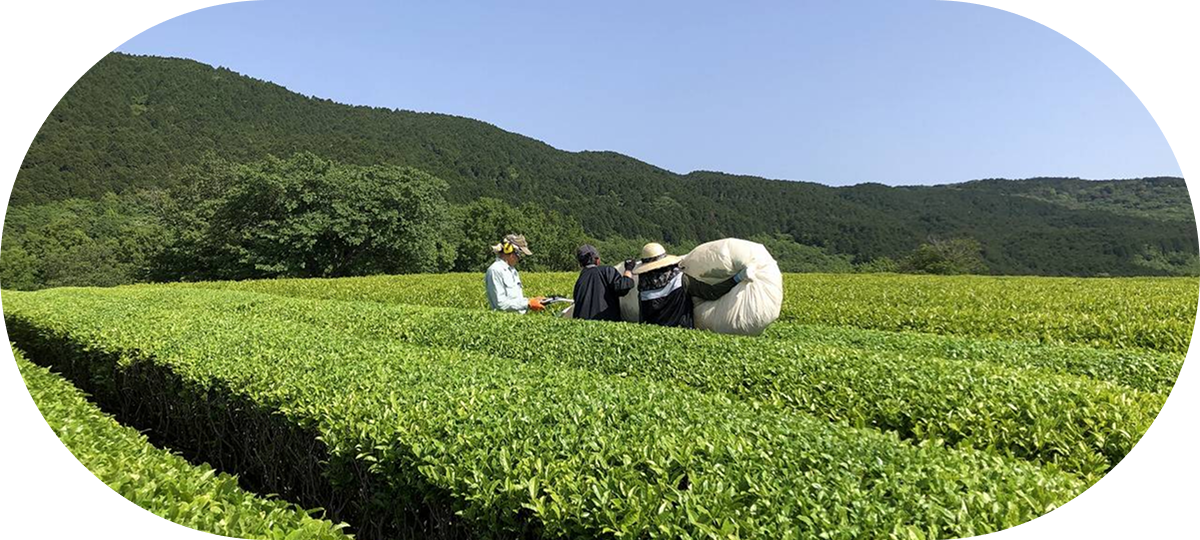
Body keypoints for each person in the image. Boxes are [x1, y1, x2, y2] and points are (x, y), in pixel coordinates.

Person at [631, 242, 748, 329]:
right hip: (681, 332)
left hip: (655, 338)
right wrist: (736, 278)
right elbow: (711, 292)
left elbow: (643, 318)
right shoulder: (680, 280)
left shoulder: (643, 288)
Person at [571, 244, 635, 321]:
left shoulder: (580, 280)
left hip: (581, 326)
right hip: (604, 322)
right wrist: (628, 268)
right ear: (597, 260)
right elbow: (623, 287)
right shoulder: (607, 270)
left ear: (580, 264)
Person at [485, 234, 546, 313]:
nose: (519, 259)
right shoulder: (495, 270)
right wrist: (528, 304)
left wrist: (532, 300)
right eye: (519, 255)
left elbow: (516, 300)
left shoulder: (513, 271)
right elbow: (500, 304)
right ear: (509, 250)